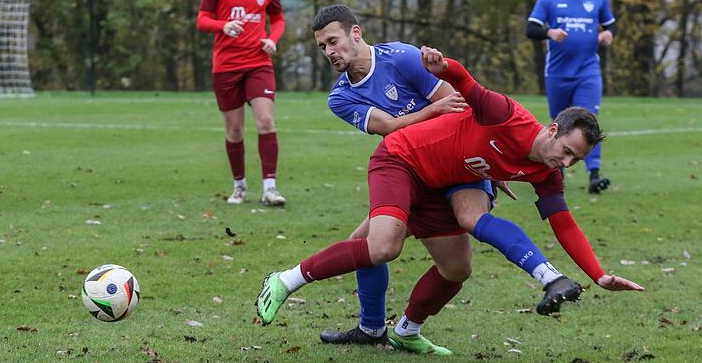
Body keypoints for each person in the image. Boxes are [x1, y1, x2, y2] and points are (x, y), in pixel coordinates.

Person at [257, 47, 644, 355]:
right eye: (568, 151)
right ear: (553, 129)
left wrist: (599, 275)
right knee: (381, 246)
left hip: (446, 183)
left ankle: (405, 332)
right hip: (402, 159)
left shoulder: (547, 171)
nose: (568, 162)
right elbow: (465, 83)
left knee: (456, 269)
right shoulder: (507, 116)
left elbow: (564, 224)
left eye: (577, 159)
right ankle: (285, 280)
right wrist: (442, 65)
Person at [310, 4, 581, 348]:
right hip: (414, 166)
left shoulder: (402, 57)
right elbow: (391, 130)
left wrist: (488, 163)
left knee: (454, 257)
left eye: (333, 41)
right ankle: (372, 329)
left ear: (356, 33)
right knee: (367, 246)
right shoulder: (340, 96)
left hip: (459, 161)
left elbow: (457, 107)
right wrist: (429, 111)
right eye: (322, 47)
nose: (329, 52)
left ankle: (404, 329)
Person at [196, 0, 286, 206]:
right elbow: (202, 19)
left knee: (265, 121)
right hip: (226, 66)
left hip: (258, 63)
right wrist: (223, 25)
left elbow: (278, 18)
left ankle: (270, 188)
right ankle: (240, 187)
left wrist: (272, 39)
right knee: (234, 131)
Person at [526, 0, 617, 194]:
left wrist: (608, 33)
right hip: (557, 73)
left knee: (590, 120)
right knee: (560, 124)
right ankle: (557, 174)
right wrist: (549, 32)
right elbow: (531, 29)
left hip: (588, 71)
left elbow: (611, 24)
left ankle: (594, 175)